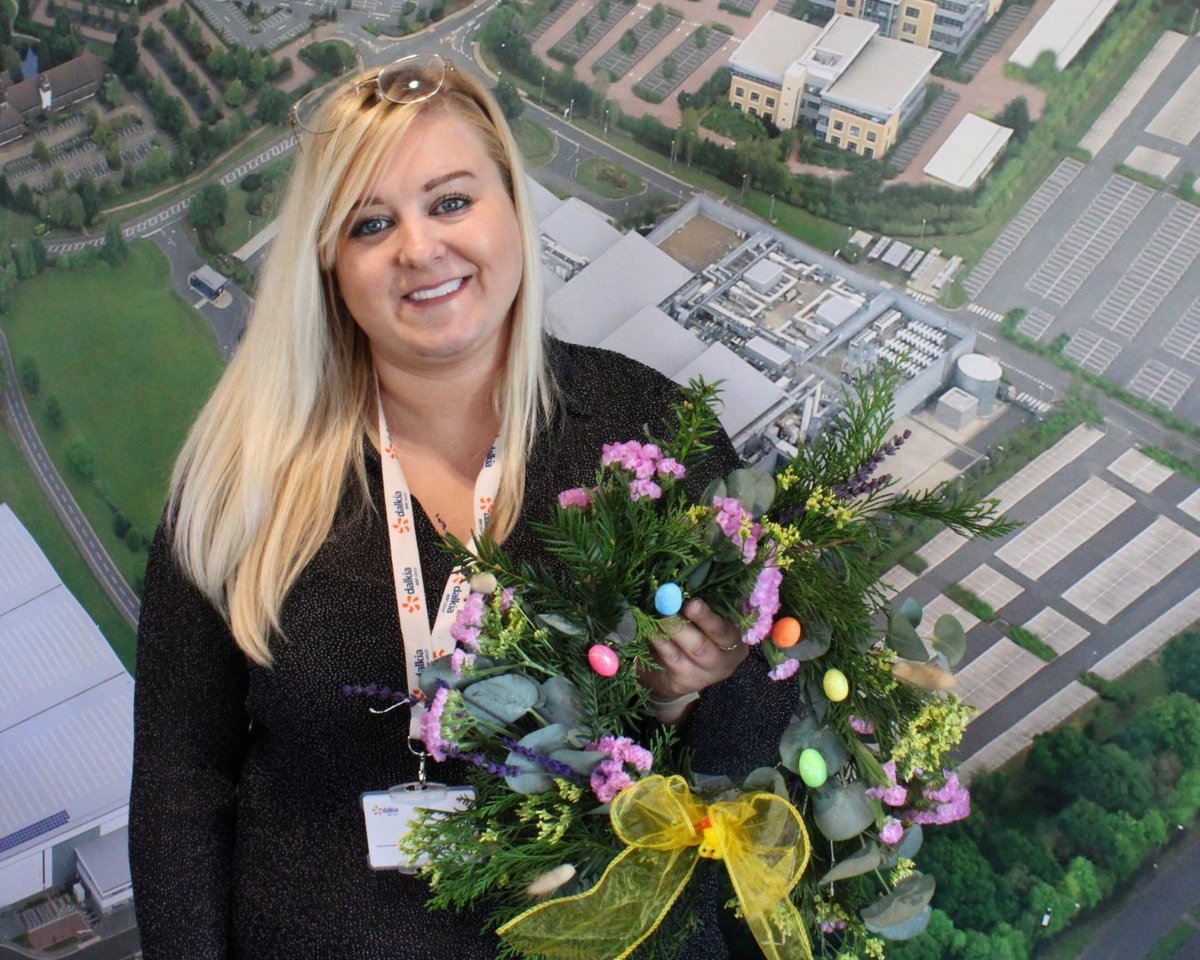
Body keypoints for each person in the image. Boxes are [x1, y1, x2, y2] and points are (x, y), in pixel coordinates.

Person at [129, 55, 795, 959]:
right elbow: (180, 788)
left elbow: (754, 765)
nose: (419, 248)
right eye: (371, 223)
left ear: (512, 210)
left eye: (450, 202)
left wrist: (684, 700)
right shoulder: (241, 481)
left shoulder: (648, 435)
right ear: (328, 265)